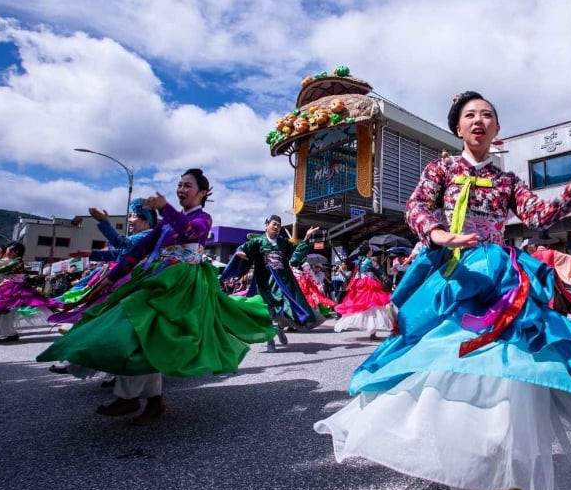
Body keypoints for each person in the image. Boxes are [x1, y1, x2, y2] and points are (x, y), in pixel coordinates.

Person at [315, 91, 571, 490]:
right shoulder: (441, 169)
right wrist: (438, 234)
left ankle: (502, 464)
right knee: (452, 371)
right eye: (470, 115)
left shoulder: (507, 179)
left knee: (513, 370)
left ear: (497, 129)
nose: (479, 121)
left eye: (487, 115)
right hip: (454, 273)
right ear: (458, 127)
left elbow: (537, 215)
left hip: (501, 278)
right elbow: (417, 206)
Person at [37, 169, 277, 423]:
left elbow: (189, 232)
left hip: (181, 284)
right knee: (147, 335)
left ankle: (129, 397)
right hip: (156, 276)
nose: (181, 189)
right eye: (179, 184)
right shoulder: (165, 223)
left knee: (139, 329)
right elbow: (137, 250)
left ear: (202, 193)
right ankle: (153, 402)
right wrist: (112, 277)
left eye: (187, 185)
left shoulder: (203, 219)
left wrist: (165, 209)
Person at [226, 217, 322, 352]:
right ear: (266, 225)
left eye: (279, 225)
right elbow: (244, 247)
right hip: (264, 282)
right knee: (267, 310)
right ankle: (270, 340)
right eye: (274, 224)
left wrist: (306, 237)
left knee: (286, 308)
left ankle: (280, 329)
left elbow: (295, 252)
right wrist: (240, 252)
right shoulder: (258, 241)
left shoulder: (283, 243)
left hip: (283, 281)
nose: (277, 227)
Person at [333, 242, 393, 340]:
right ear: (368, 251)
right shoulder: (371, 261)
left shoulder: (359, 262)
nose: (372, 250)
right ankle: (372, 333)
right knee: (373, 307)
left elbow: (356, 275)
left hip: (361, 284)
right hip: (370, 284)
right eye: (371, 249)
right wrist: (390, 282)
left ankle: (372, 332)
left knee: (364, 307)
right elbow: (381, 273)